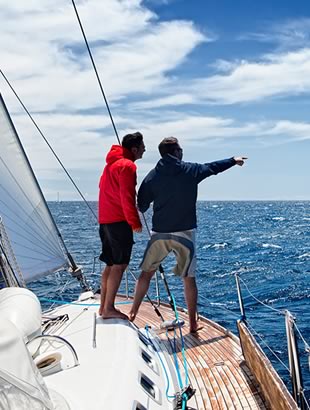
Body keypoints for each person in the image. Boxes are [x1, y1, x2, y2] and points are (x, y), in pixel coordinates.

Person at [129, 137, 247, 332]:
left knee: (146, 275)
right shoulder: (190, 171)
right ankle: (192, 324)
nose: (182, 152)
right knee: (188, 278)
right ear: (175, 152)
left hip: (160, 233)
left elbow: (141, 205)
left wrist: (140, 200)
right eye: (180, 150)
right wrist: (233, 160)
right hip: (184, 232)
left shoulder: (152, 177)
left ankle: (133, 312)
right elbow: (212, 167)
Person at [98, 132, 145, 320]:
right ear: (134, 149)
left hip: (106, 221)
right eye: (142, 146)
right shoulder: (127, 166)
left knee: (110, 264)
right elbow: (127, 197)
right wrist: (134, 222)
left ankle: (103, 307)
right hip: (119, 222)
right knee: (119, 265)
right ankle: (109, 308)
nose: (144, 149)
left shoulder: (109, 166)